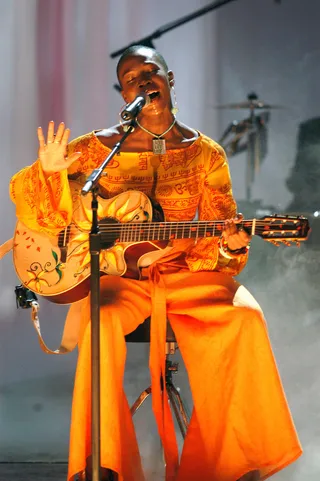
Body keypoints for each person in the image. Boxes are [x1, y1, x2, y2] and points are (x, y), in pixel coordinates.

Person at [9, 45, 302, 481]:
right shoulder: (94, 150)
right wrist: (49, 174)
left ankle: (230, 463)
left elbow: (220, 244)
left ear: (169, 79)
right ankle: (102, 464)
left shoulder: (208, 155)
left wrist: (232, 244)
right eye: (131, 78)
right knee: (100, 323)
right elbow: (38, 214)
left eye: (151, 72)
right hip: (117, 278)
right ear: (123, 92)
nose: (143, 81)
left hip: (186, 275)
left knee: (245, 319)